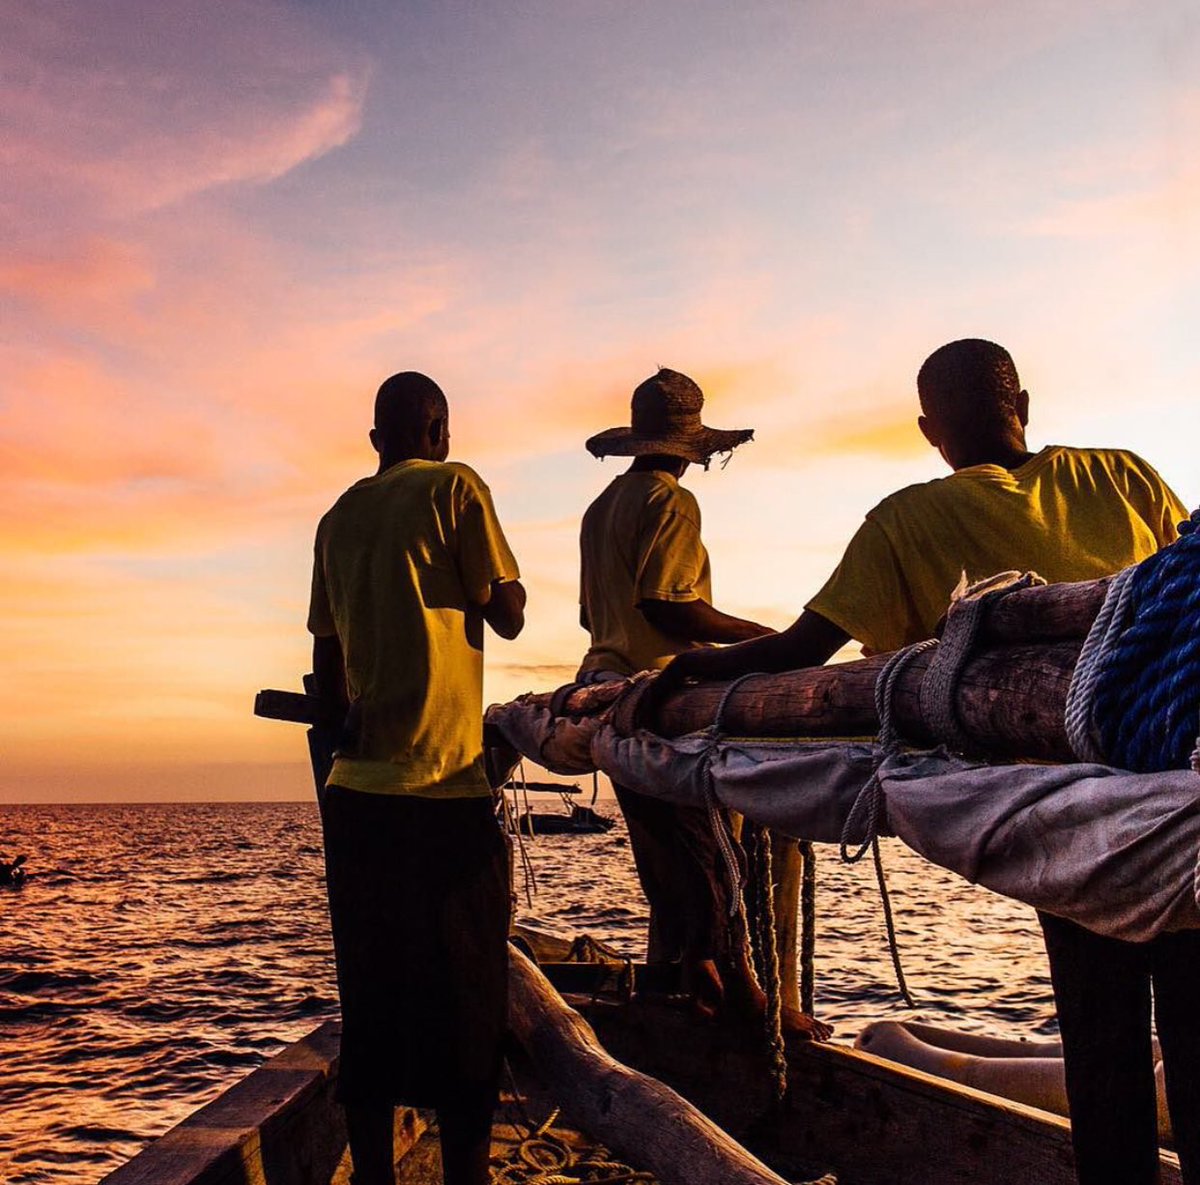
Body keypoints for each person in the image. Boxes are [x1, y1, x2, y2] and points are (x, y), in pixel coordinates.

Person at [650, 339, 1195, 1185]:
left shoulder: (905, 520)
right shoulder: (1123, 474)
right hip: (1176, 798)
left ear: (929, 430)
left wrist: (690, 668)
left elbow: (806, 649)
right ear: (1027, 403)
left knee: (1101, 1041)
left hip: (1061, 812)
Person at [308, 371, 526, 1185]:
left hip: (357, 793)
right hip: (445, 789)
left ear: (376, 441)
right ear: (439, 431)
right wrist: (508, 584)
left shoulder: (337, 517)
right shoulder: (457, 486)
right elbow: (506, 612)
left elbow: (327, 661)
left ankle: (373, 1176)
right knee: (468, 1001)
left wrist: (345, 718)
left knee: (373, 996)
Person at [578, 367, 827, 1038]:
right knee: (714, 856)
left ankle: (695, 986)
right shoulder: (671, 503)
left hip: (603, 689)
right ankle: (745, 993)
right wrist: (761, 637)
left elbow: (590, 615)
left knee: (665, 862)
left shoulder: (601, 508)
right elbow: (666, 602)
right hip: (664, 700)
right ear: (692, 448)